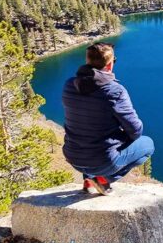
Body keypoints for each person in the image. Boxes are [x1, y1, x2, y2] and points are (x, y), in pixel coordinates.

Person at [62, 42, 154, 195]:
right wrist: (123, 138)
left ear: (87, 62)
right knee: (148, 145)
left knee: (87, 131)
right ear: (110, 65)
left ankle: (89, 179)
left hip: (73, 157)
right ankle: (102, 180)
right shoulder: (114, 91)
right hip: (103, 161)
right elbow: (136, 130)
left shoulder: (69, 85)